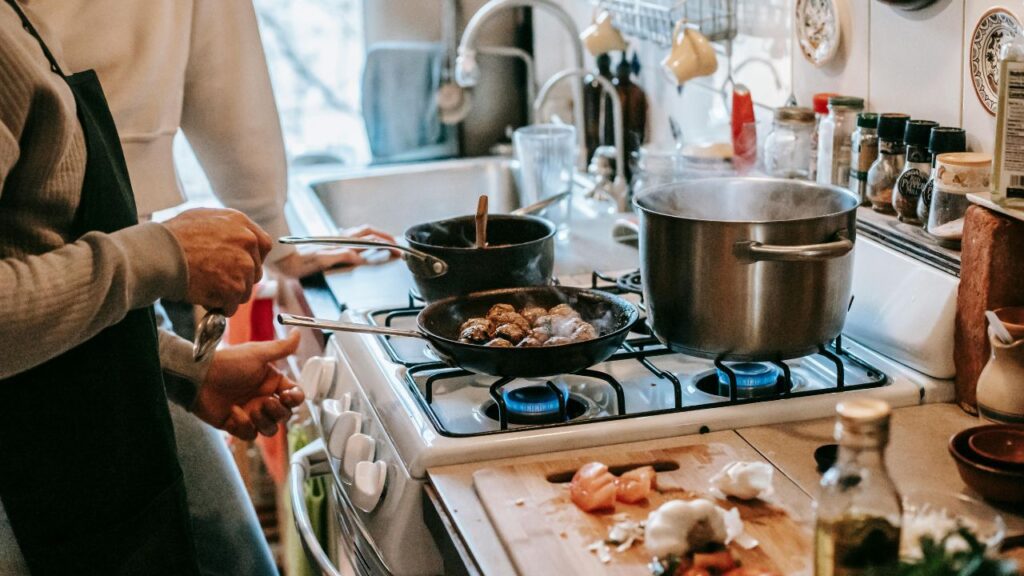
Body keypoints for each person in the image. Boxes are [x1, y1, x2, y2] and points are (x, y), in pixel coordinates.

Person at [26, 1, 395, 574]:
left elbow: (225, 81)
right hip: (82, 315)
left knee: (223, 555)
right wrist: (178, 251)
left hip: (111, 310)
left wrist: (182, 365)